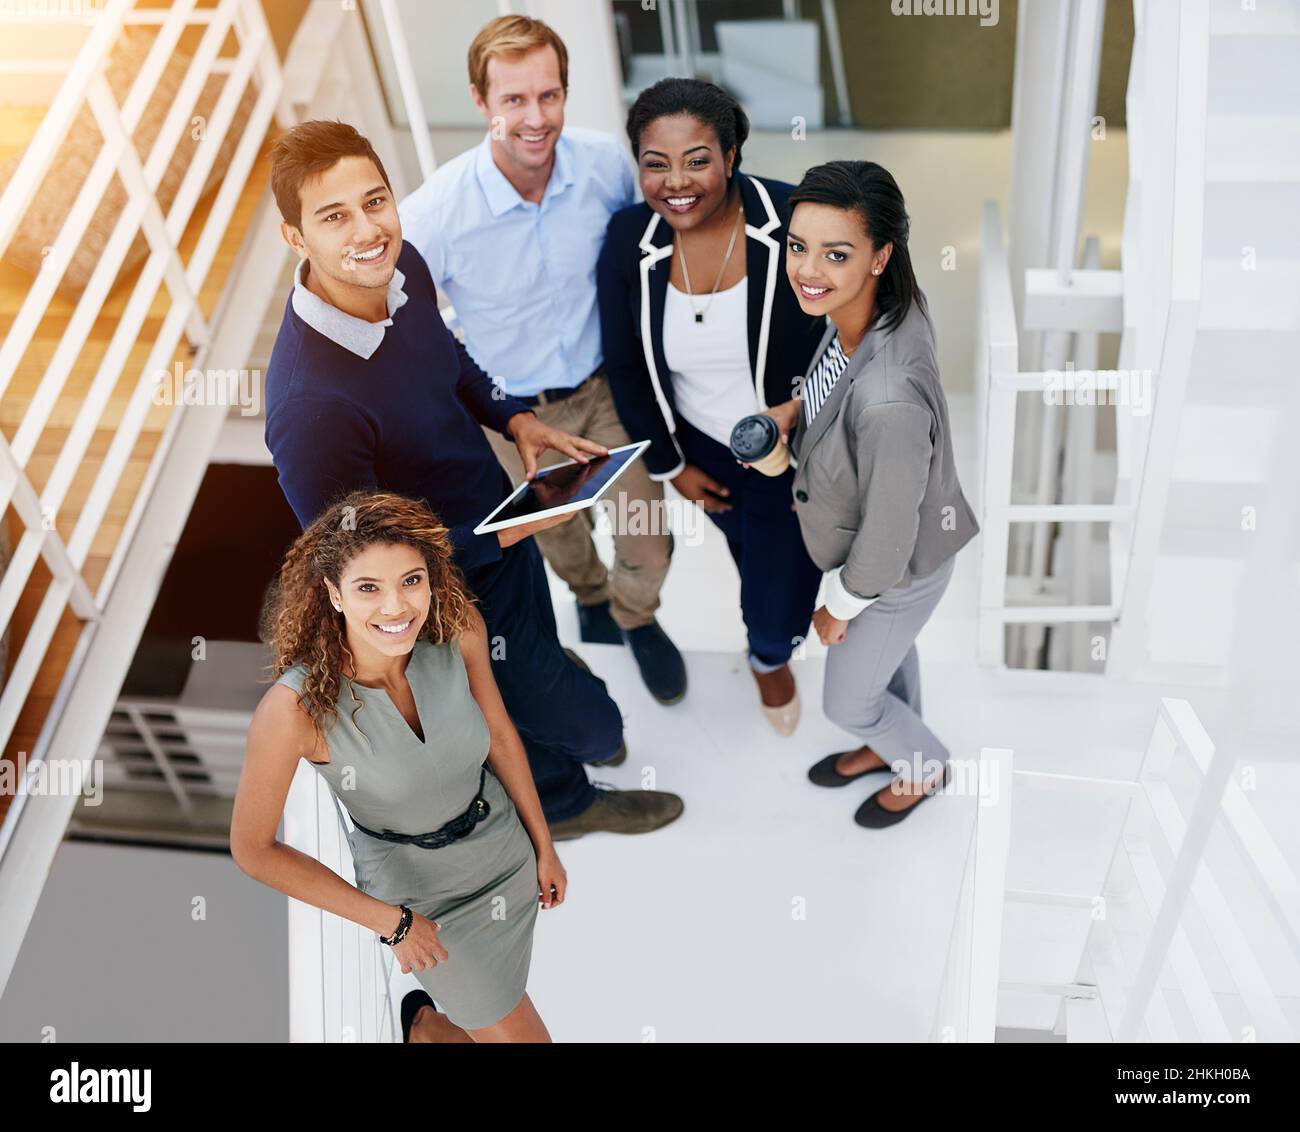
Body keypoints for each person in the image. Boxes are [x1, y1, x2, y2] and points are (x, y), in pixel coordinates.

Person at [262, 119, 683, 841]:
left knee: (537, 674)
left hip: (499, 533)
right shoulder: (310, 407)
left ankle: (551, 724)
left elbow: (449, 360)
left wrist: (514, 419)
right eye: (334, 217)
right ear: (296, 239)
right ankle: (567, 805)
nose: (368, 230)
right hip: (445, 599)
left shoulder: (404, 269)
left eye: (376, 201)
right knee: (593, 724)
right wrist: (500, 533)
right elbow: (357, 562)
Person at [399, 16, 686, 705]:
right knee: (559, 538)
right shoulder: (439, 209)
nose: (536, 118)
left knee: (648, 537)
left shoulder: (603, 165)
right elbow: (393, 311)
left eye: (549, 96)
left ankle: (635, 615)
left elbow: (647, 250)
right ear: (481, 103)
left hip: (606, 390)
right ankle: (589, 597)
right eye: (514, 101)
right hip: (515, 415)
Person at [232, 491, 558, 1041]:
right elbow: (252, 850)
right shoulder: (292, 711)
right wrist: (392, 923)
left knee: (493, 1015)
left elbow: (500, 736)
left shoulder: (458, 627)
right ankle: (432, 1025)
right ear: (334, 596)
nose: (396, 608)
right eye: (368, 588)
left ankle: (428, 1030)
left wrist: (543, 844)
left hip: (501, 849)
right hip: (419, 896)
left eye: (411, 580)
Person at [597, 78, 826, 735]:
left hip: (792, 444)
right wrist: (671, 467)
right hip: (702, 447)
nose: (677, 182)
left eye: (697, 159)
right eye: (655, 163)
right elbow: (627, 362)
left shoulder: (795, 222)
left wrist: (801, 406)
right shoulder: (627, 239)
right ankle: (769, 646)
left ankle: (769, 652)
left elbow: (860, 327)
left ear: (731, 156)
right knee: (753, 555)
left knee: (778, 584)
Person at [767, 160, 979, 828]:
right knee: (891, 657)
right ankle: (891, 744)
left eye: (837, 254)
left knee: (846, 702)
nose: (808, 271)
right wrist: (799, 412)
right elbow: (839, 386)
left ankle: (921, 764)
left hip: (892, 570)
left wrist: (837, 607)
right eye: (799, 247)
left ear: (882, 255)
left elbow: (888, 539)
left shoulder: (889, 399)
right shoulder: (874, 307)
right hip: (887, 556)